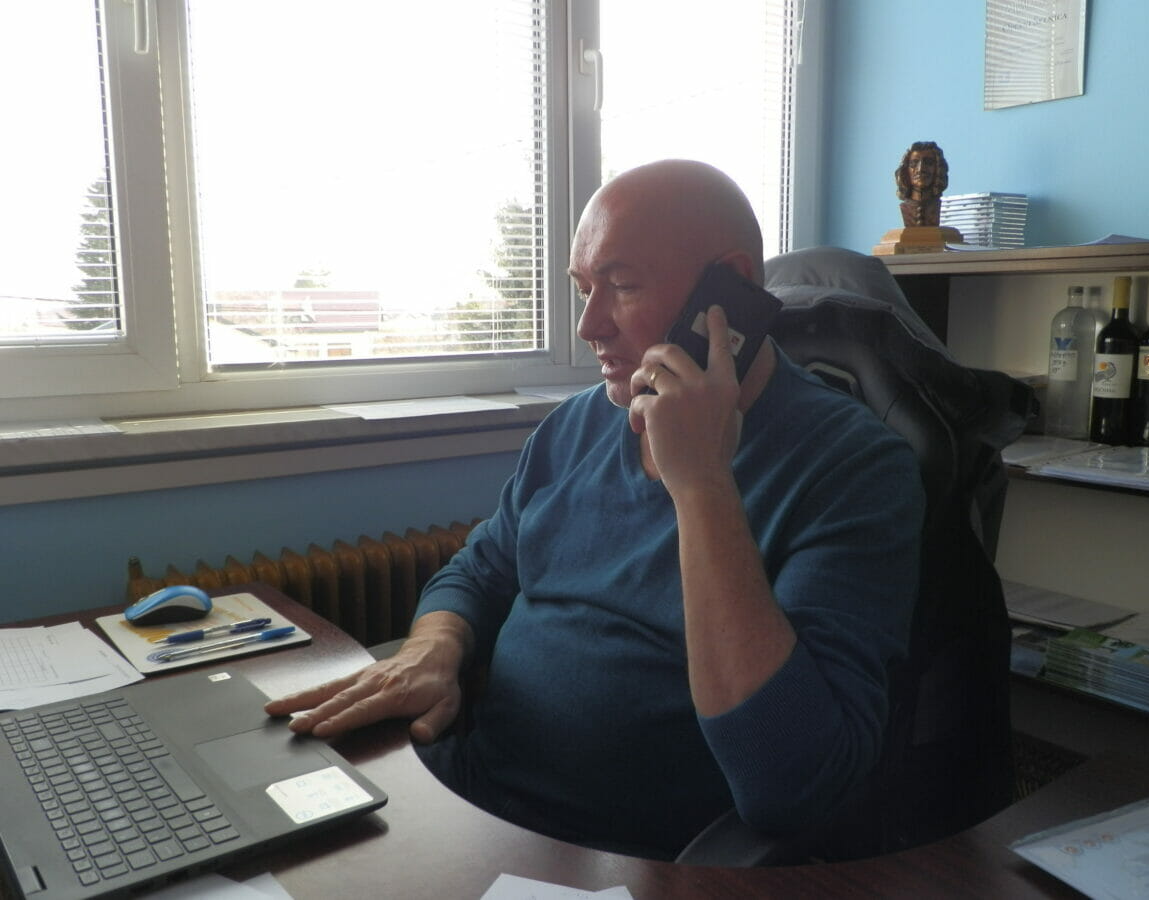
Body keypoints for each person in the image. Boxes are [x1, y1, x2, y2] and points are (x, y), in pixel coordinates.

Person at [265, 160, 925, 860]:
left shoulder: (854, 469)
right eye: (585, 289)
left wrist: (702, 485)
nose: (588, 325)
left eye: (623, 285)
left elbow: (792, 784)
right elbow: (481, 569)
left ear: (729, 288)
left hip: (622, 864)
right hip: (466, 807)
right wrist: (435, 648)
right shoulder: (574, 427)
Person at [895, 141, 949, 228]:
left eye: (928, 163)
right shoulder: (905, 207)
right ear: (906, 170)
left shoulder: (942, 207)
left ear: (938, 168)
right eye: (914, 164)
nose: (920, 169)